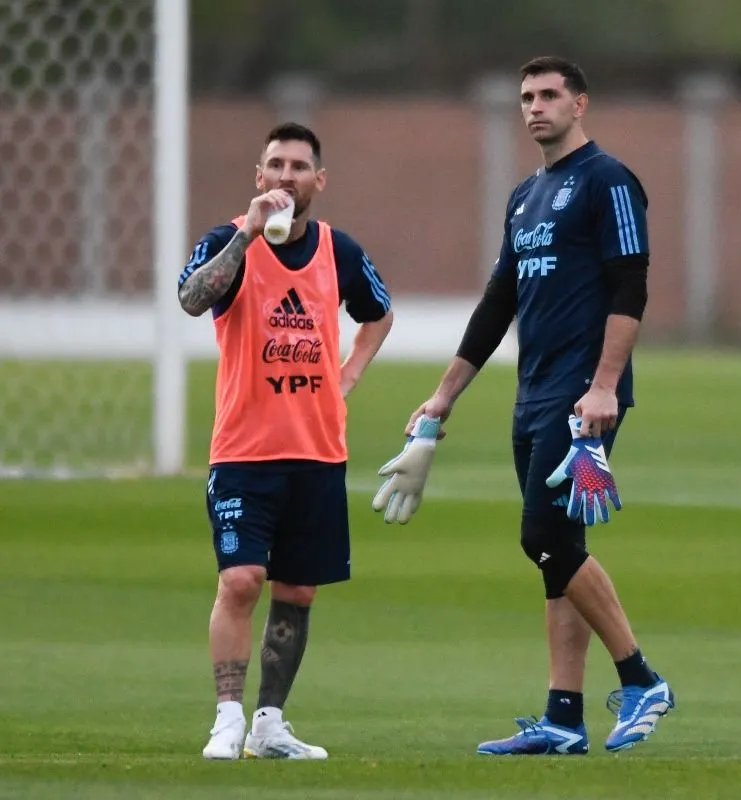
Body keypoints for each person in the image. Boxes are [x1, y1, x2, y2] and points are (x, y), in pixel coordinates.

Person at [384, 56, 674, 755]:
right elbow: (497, 305)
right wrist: (443, 396)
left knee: (542, 537)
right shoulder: (524, 197)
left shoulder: (608, 180)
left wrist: (604, 386)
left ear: (580, 104)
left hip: (582, 399)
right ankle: (563, 718)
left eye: (548, 95)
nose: (535, 107)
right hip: (533, 394)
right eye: (526, 97)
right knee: (558, 555)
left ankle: (642, 679)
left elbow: (631, 286)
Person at [178, 122, 395, 760]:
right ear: (258, 176)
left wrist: (347, 376)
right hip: (244, 451)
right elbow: (191, 299)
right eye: (275, 164)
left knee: (297, 591)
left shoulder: (338, 250)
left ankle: (269, 724)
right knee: (241, 579)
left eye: (299, 166)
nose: (285, 176)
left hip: (317, 450)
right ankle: (227, 719)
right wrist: (247, 233)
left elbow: (379, 312)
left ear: (318, 181)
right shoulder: (226, 241)